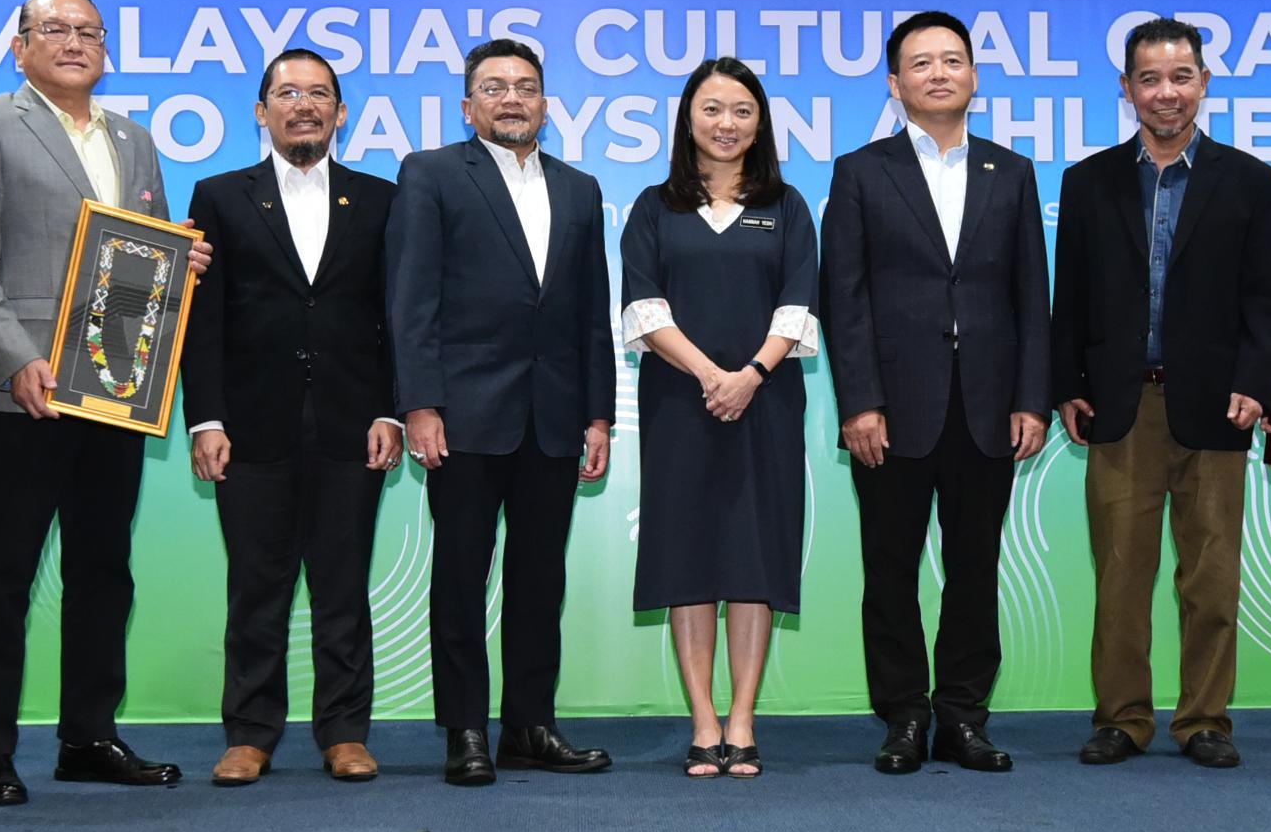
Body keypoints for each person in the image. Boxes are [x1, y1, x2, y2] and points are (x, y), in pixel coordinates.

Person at [0, 0, 209, 805]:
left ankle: (89, 735)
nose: (74, 43)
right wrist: (16, 356)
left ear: (106, 49)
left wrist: (181, 259)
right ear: (19, 45)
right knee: (5, 570)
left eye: (89, 32)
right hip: (27, 386)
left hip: (115, 382)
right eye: (55, 29)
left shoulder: (134, 139)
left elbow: (146, 256)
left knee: (104, 567)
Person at [1050, 15, 1271, 770]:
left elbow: (1267, 300)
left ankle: (1205, 719)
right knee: (1121, 575)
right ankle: (1121, 718)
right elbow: (1069, 297)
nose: (1166, 92)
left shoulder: (1252, 181)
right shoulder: (1087, 182)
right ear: (1126, 88)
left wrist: (1256, 383)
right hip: (1120, 406)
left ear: (1204, 83)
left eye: (1181, 77)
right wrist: (1066, 386)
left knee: (1211, 577)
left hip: (1218, 406)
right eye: (1149, 78)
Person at [821, 10, 1050, 776]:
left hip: (988, 405)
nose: (939, 73)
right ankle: (903, 715)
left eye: (953, 59)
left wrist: (1031, 398)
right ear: (895, 84)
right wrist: (859, 401)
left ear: (974, 76)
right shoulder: (861, 171)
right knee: (889, 567)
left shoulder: (1010, 172)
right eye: (921, 63)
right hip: (891, 408)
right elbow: (843, 295)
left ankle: (961, 715)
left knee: (975, 565)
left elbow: (1031, 293)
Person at [386, 38, 616, 786]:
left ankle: (529, 726)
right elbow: (411, 299)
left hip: (554, 416)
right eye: (494, 87)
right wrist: (420, 403)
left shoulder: (580, 188)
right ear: (468, 105)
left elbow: (590, 311)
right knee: (460, 576)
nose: (511, 98)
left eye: (525, 86)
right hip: (463, 414)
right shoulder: (430, 173)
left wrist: (599, 415)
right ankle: (464, 731)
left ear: (546, 104)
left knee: (539, 578)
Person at [185, 48, 402, 786]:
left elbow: (393, 315)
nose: (303, 105)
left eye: (318, 94)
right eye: (287, 93)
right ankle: (250, 734)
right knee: (256, 585)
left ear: (341, 112)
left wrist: (391, 409)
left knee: (343, 585)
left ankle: (344, 733)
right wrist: (205, 419)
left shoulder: (380, 199)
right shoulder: (219, 195)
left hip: (353, 420)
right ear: (261, 111)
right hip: (250, 423)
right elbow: (203, 318)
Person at [619, 57, 819, 780]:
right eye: (711, 109)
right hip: (681, 404)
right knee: (689, 555)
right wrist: (711, 376)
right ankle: (704, 721)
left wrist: (750, 376)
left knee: (755, 557)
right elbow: (643, 308)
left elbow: (798, 306)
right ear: (687, 120)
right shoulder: (654, 207)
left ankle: (743, 720)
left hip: (767, 404)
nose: (726, 123)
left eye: (741, 110)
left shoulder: (786, 206)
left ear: (759, 123)